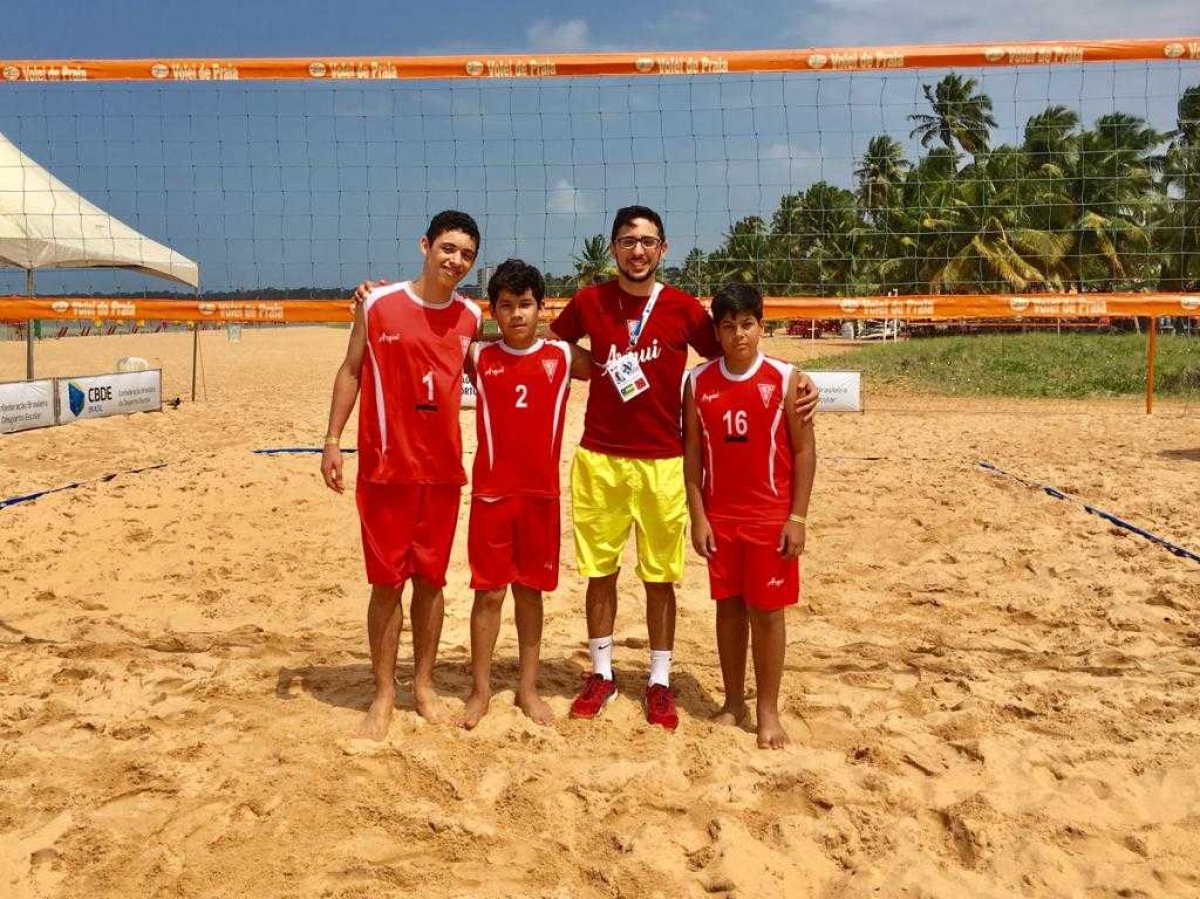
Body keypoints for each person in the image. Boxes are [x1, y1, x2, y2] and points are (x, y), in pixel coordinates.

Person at [550, 206, 820, 731]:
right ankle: (602, 673)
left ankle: (657, 681)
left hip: (663, 460)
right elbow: (556, 346)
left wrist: (799, 379)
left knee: (659, 578)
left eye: (648, 241)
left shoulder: (681, 309)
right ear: (613, 249)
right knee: (599, 572)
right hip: (600, 457)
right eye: (627, 240)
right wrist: (594, 368)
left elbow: (734, 349)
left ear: (663, 249)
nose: (637, 250)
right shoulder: (588, 302)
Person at [321, 210, 482, 741]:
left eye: (466, 254)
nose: (455, 260)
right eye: (448, 248)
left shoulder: (471, 318)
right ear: (425, 245)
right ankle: (384, 692)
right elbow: (351, 371)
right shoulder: (378, 303)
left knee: (432, 583)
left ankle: (425, 685)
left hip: (441, 475)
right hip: (385, 470)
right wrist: (331, 441)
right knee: (387, 583)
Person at [683, 283, 816, 749]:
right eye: (728, 326)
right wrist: (698, 515)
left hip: (769, 519)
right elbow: (693, 456)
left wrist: (796, 518)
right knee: (729, 610)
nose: (738, 334)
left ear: (762, 326)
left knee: (768, 614)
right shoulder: (698, 382)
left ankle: (768, 710)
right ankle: (733, 701)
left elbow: (804, 452)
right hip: (722, 518)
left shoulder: (785, 379)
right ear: (716, 332)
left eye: (747, 324)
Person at [460, 259, 592, 729]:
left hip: (541, 498)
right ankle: (479, 692)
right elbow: (426, 333)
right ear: (494, 311)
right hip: (491, 498)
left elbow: (617, 362)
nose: (517, 314)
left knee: (530, 595)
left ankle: (528, 688)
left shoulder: (561, 357)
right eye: (507, 306)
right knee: (488, 594)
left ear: (541, 307)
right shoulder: (478, 356)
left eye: (526, 305)